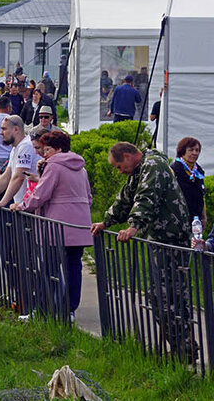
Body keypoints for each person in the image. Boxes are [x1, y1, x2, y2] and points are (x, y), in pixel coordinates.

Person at [91, 142, 194, 359]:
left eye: (119, 166)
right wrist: (106, 222)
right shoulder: (141, 169)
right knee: (162, 296)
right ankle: (181, 347)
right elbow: (127, 197)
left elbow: (146, 197)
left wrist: (133, 226)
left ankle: (184, 348)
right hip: (160, 239)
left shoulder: (153, 165)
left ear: (128, 156)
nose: (120, 172)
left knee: (169, 297)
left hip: (172, 240)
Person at [11, 130, 92, 320]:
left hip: (55, 225)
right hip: (79, 225)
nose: (43, 153)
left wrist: (22, 206)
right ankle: (69, 309)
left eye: (47, 149)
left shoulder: (53, 166)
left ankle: (45, 309)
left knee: (49, 269)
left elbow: (41, 194)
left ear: (58, 149)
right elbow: (88, 197)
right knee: (73, 268)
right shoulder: (81, 167)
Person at [172, 137, 205, 224]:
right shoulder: (174, 170)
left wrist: (204, 215)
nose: (195, 153)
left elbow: (201, 194)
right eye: (191, 150)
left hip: (195, 219)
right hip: (177, 219)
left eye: (197, 150)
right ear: (182, 151)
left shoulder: (199, 171)